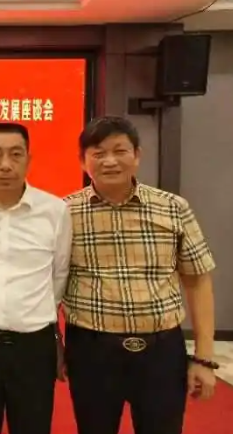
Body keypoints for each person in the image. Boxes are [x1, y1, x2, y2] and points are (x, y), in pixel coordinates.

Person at [63, 116, 218, 434]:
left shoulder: (173, 208)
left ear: (137, 155)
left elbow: (198, 280)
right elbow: (51, 283)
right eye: (98, 153)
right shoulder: (63, 213)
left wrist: (204, 358)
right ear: (82, 161)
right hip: (92, 352)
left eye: (120, 150)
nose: (109, 161)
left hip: (161, 353)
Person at [0, 122, 71, 434]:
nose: (5, 165)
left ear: (28, 160)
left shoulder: (54, 211)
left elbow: (59, 273)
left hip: (33, 347)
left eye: (15, 154)